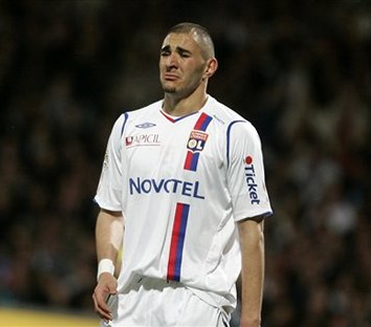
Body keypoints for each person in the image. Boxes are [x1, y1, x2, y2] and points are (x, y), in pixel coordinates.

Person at [92, 22, 272, 327]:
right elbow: (111, 211)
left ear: (209, 67)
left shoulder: (234, 133)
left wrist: (251, 318)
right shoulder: (128, 126)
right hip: (129, 301)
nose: (171, 61)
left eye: (183, 54)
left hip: (197, 303)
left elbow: (252, 231)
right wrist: (106, 269)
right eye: (165, 53)